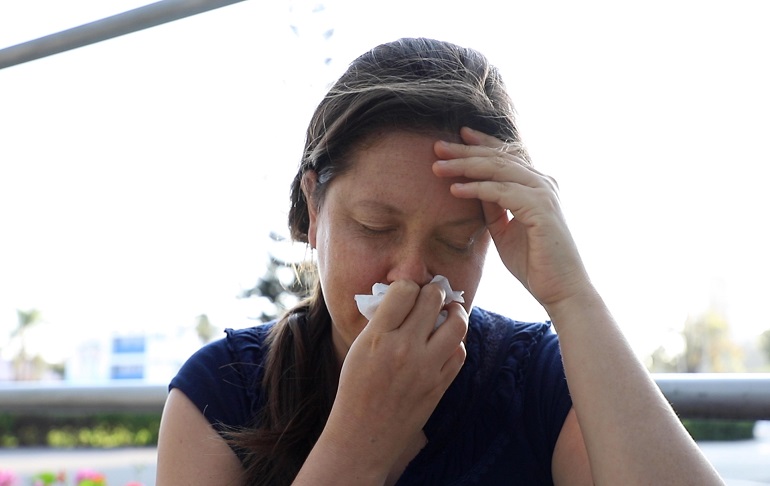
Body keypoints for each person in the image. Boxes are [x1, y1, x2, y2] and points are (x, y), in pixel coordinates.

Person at [156, 37, 724, 485]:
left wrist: (573, 298)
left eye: (456, 241)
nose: (409, 274)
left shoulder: (540, 380)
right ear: (313, 205)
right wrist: (359, 443)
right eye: (375, 226)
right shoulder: (223, 390)